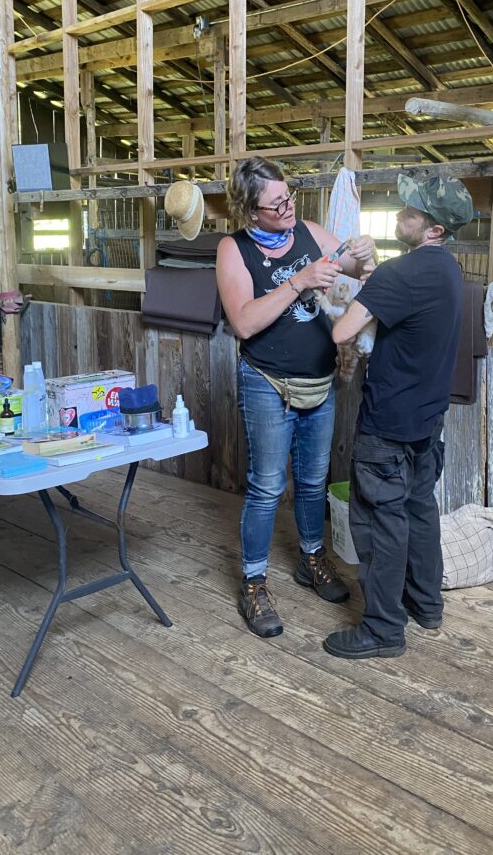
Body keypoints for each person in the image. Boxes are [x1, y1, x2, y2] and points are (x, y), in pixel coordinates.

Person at [216, 156, 376, 639]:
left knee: (311, 482)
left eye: (288, 197)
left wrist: (365, 253)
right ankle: (253, 582)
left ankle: (312, 560)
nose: (287, 209)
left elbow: (354, 265)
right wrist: (297, 282)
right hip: (268, 381)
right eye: (275, 205)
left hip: (319, 382)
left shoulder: (308, 232)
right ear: (250, 211)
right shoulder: (233, 249)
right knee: (267, 486)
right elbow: (243, 323)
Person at [322, 171, 473, 660]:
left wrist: (362, 291)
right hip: (427, 421)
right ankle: (426, 605)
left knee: (378, 522)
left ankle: (384, 629)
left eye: (411, 212)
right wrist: (375, 285)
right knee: (418, 508)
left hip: (387, 424)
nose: (400, 214)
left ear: (434, 230)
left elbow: (343, 331)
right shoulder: (449, 270)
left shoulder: (399, 273)